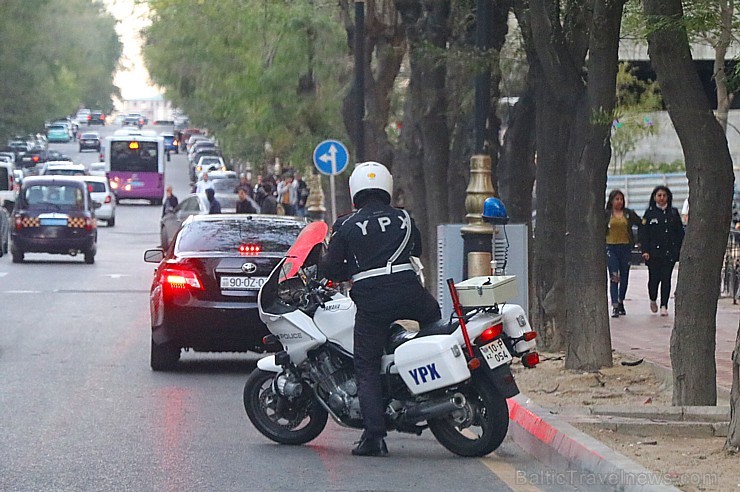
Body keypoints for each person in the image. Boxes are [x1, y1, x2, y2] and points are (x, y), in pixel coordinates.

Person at [319, 161, 441, 457]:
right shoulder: (404, 217)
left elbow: (332, 269)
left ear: (354, 192)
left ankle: (374, 435)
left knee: (366, 364)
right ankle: (430, 381)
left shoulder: (346, 225)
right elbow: (417, 250)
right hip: (410, 292)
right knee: (434, 321)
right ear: (386, 186)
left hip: (372, 302)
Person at [639, 185, 684, 316]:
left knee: (666, 279)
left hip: (669, 253)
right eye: (659, 195)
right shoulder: (650, 213)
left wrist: (678, 250)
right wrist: (645, 250)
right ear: (654, 197)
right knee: (654, 279)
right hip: (653, 254)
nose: (662, 198)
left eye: (664, 195)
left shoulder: (673, 213)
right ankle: (653, 298)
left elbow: (679, 233)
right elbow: (644, 234)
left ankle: (664, 305)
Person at [605, 189, 642, 318]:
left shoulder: (628, 214)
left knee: (624, 276)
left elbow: (641, 223)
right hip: (611, 248)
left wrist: (638, 241)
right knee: (614, 276)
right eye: (617, 199)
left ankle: (621, 301)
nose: (619, 202)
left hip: (625, 248)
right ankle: (614, 305)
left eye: (621, 199)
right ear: (611, 201)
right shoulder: (607, 215)